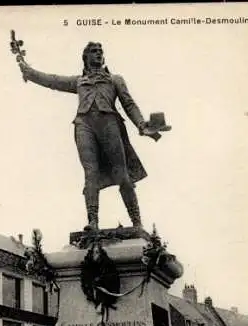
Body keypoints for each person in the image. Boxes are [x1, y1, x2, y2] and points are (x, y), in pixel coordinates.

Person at [18, 42, 157, 230]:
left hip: (109, 123)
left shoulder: (115, 80)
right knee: (90, 174)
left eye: (100, 52)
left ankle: (136, 222)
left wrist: (142, 125)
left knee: (122, 174)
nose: (98, 54)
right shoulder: (78, 81)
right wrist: (29, 71)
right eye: (94, 51)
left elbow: (129, 104)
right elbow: (53, 81)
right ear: (86, 57)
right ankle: (93, 222)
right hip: (84, 125)